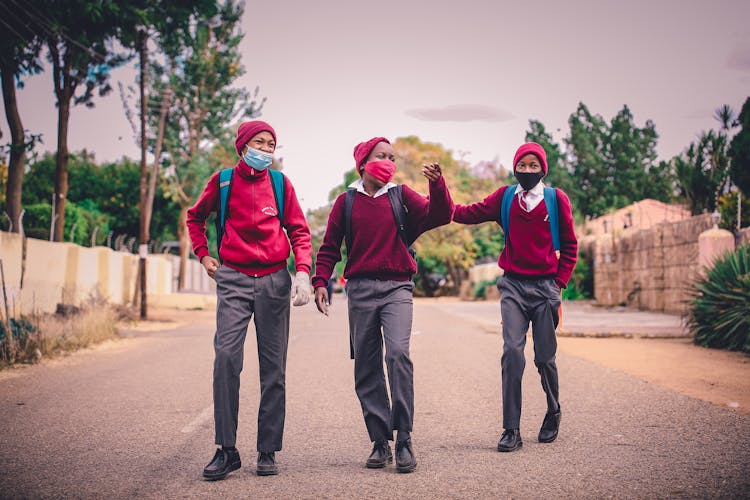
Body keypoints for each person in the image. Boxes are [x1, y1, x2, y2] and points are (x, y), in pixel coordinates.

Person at [312, 137, 454, 473]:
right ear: (363, 162)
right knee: (367, 365)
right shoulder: (345, 203)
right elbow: (330, 247)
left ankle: (403, 437)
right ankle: (380, 442)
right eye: (381, 156)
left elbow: (441, 215)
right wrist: (321, 281)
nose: (388, 161)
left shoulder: (401, 195)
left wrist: (437, 185)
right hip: (360, 289)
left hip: (397, 287)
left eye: (392, 157)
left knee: (397, 354)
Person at [186, 120, 312, 479]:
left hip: (274, 279)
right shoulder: (223, 181)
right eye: (260, 142)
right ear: (243, 146)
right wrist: (203, 253)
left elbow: (299, 230)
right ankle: (226, 449)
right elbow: (195, 217)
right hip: (234, 279)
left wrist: (302, 271)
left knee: (274, 369)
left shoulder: (279, 183)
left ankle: (268, 449)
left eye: (272, 144)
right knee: (226, 358)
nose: (266, 149)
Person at [452, 142, 577, 452]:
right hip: (513, 288)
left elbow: (571, 247)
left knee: (544, 358)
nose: (528, 171)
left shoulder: (554, 199)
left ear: (543, 169)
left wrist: (558, 285)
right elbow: (467, 213)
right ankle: (511, 430)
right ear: (515, 168)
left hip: (546, 288)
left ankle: (553, 409)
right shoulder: (506, 197)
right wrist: (438, 198)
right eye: (523, 165)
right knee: (512, 352)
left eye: (534, 166)